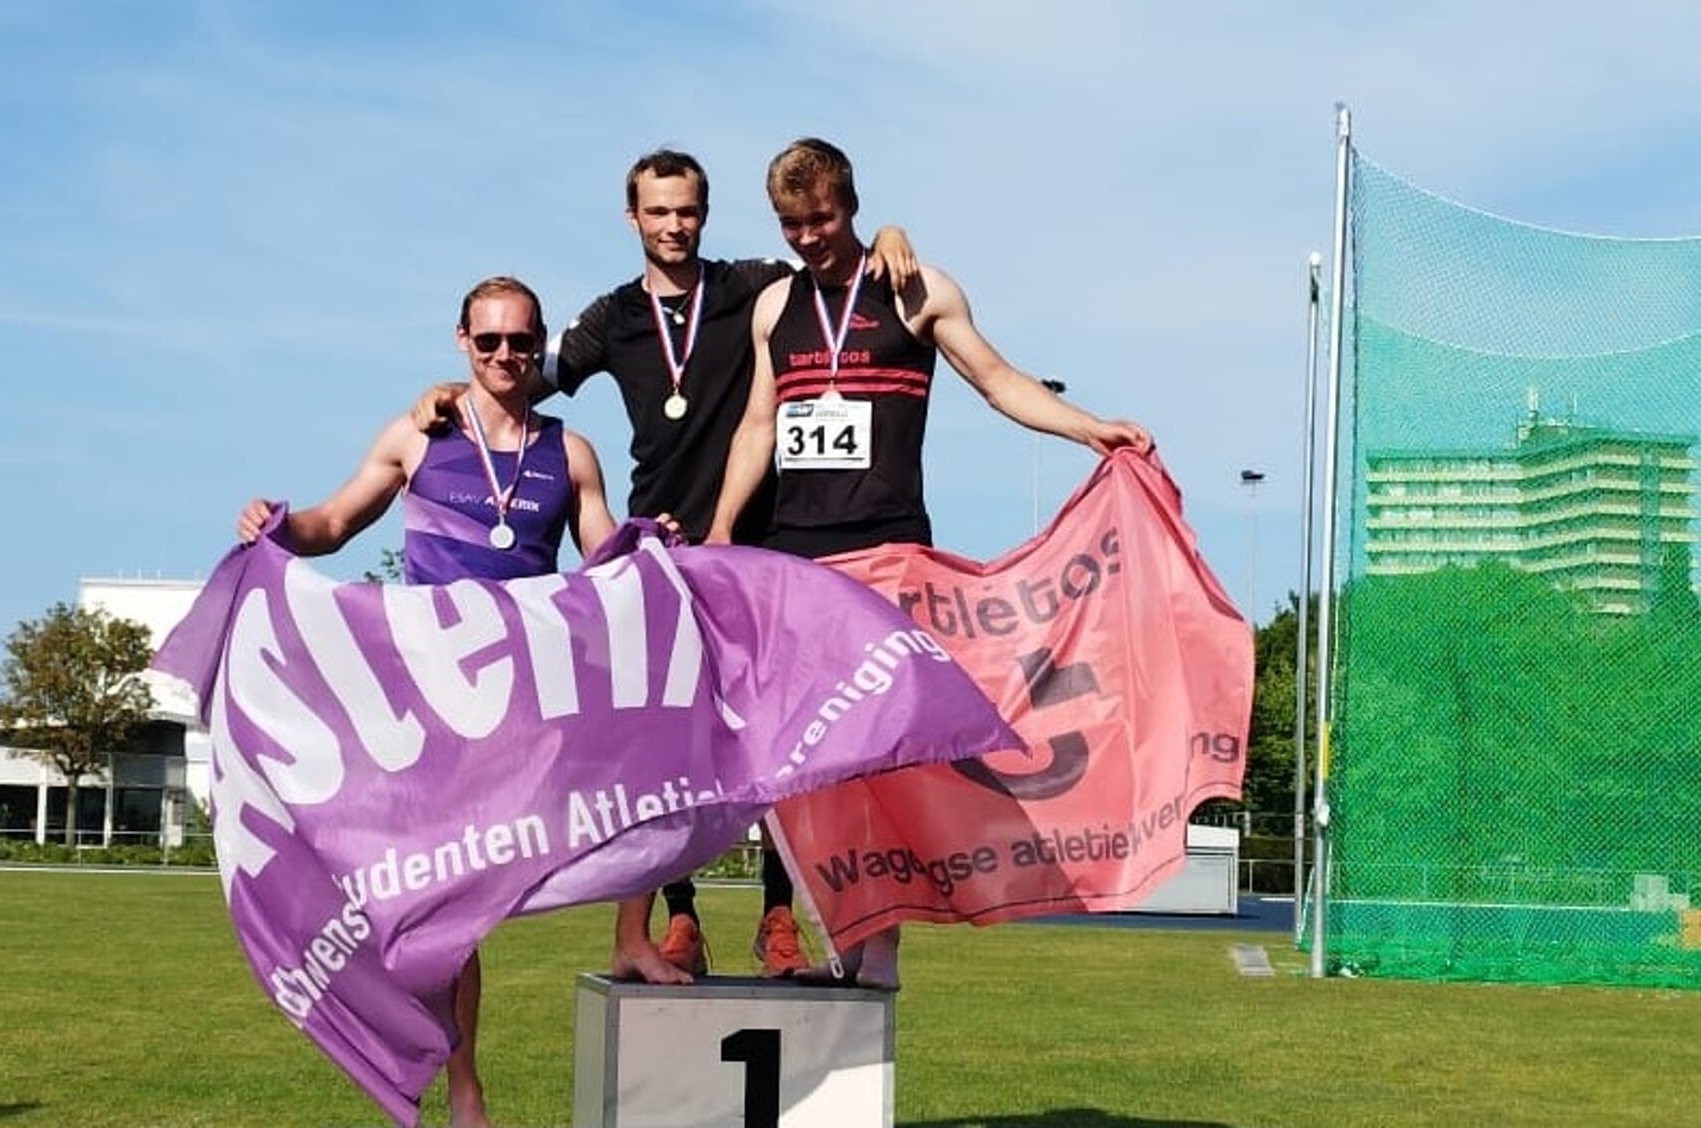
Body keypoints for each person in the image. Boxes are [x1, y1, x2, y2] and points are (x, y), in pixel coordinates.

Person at [411, 149, 920, 986]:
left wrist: (893, 234)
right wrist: (446, 395)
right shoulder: (610, 318)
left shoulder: (750, 287)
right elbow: (523, 378)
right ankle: (678, 916)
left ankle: (778, 913)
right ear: (632, 219)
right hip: (659, 548)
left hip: (761, 541)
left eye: (685, 211)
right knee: (668, 744)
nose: (673, 225)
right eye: (657, 212)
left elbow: (832, 265)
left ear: (704, 215)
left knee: (783, 740)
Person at [706, 137, 1153, 989]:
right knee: (800, 770)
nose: (807, 236)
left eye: (822, 218)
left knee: (883, 762)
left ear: (853, 204)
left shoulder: (914, 290)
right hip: (795, 564)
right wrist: (725, 528)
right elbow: (758, 427)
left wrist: (1087, 424)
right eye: (790, 224)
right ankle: (844, 939)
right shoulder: (773, 309)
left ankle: (879, 954)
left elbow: (996, 379)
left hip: (889, 557)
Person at [237, 275, 623, 1128]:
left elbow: (607, 565)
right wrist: (277, 523)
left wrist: (649, 553)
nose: (504, 357)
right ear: (460, 341)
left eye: (521, 342)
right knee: (434, 909)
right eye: (487, 343)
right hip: (418, 705)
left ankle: (639, 944)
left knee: (464, 900)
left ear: (539, 344)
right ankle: (464, 1089)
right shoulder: (420, 433)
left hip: (521, 710)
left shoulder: (572, 452)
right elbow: (334, 523)